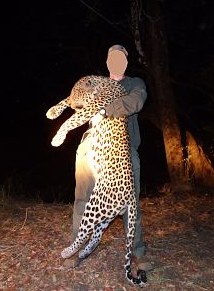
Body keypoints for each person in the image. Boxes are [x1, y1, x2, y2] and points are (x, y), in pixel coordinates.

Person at [64, 44, 151, 272]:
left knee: (130, 203)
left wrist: (104, 110)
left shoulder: (134, 84)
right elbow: (77, 102)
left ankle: (137, 252)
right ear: (107, 62)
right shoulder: (97, 83)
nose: (117, 61)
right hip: (91, 145)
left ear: (126, 62)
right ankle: (76, 248)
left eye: (121, 57)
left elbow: (136, 102)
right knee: (82, 198)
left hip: (123, 151)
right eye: (113, 57)